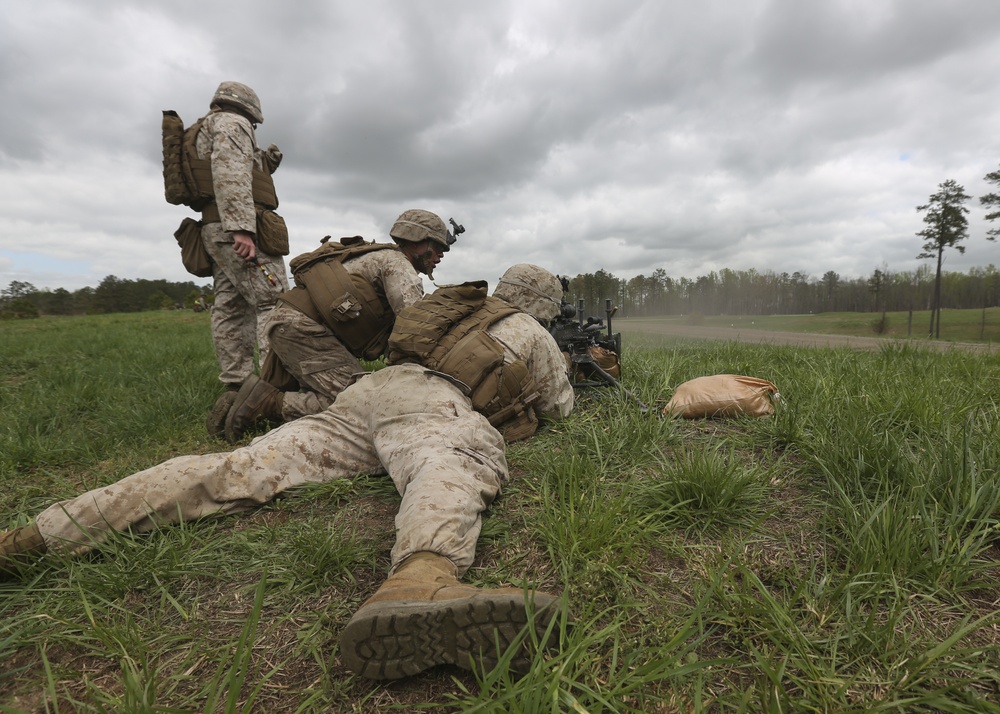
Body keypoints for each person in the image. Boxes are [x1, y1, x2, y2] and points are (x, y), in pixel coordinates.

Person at [0, 265, 573, 680]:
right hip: (428, 401)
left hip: (365, 395)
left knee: (236, 468)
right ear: (544, 304)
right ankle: (421, 576)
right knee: (454, 458)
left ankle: (35, 538)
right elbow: (558, 409)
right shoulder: (533, 332)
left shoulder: (456, 301)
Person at [217, 209, 458, 443]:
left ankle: (242, 402)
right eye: (437, 247)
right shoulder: (399, 267)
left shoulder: (375, 255)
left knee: (343, 393)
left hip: (291, 323)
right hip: (306, 331)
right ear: (417, 241)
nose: (441, 255)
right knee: (361, 403)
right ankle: (268, 403)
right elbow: (414, 333)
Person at [183, 81, 290, 431]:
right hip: (235, 231)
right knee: (272, 302)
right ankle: (277, 387)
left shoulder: (206, 127)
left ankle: (236, 386)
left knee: (230, 306)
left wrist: (265, 164)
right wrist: (242, 227)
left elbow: (230, 174)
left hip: (214, 231)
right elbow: (229, 173)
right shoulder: (233, 124)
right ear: (249, 108)